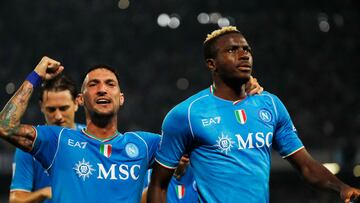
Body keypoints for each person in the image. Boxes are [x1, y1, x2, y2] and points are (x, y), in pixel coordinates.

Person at [147, 26, 360, 203]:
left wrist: (341, 188)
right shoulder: (187, 114)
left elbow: (306, 165)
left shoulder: (271, 105)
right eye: (232, 50)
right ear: (212, 64)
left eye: (246, 49)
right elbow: (159, 185)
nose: (244, 55)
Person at [0, 57, 161, 202]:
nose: (102, 89)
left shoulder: (145, 145)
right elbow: (4, 127)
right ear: (81, 99)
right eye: (93, 84)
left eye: (110, 84)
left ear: (121, 98)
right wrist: (36, 76)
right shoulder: (58, 141)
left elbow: (184, 144)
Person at [9, 74, 85, 203]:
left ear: (76, 103)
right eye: (51, 109)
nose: (58, 116)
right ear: (41, 106)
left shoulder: (91, 139)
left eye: (63, 108)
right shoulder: (28, 146)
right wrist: (44, 192)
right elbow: (15, 200)